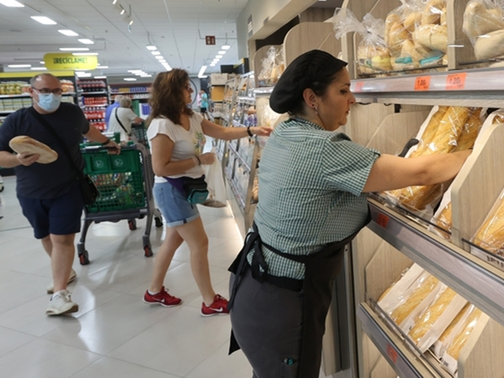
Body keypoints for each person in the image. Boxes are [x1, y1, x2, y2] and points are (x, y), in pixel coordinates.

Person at [228, 50, 471, 378]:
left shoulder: (287, 132)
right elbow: (424, 173)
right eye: (343, 91)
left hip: (255, 288)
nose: (352, 99)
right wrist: (481, 147)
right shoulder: (323, 149)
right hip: (283, 305)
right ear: (312, 98)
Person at [144, 68, 272, 316]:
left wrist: (250, 131)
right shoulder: (162, 124)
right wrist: (197, 160)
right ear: (172, 91)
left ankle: (154, 290)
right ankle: (209, 300)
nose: (190, 91)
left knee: (173, 240)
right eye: (185, 87)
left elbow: (221, 132)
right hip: (172, 191)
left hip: (184, 189)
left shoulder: (191, 117)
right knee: (200, 243)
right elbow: (160, 167)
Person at [0, 73, 120, 315]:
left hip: (68, 187)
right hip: (31, 192)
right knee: (45, 236)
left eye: (57, 91)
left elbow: (88, 131)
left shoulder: (72, 113)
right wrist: (17, 160)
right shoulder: (16, 121)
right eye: (45, 91)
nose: (52, 96)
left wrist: (108, 142)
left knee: (63, 239)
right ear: (31, 92)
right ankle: (66, 272)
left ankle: (59, 294)